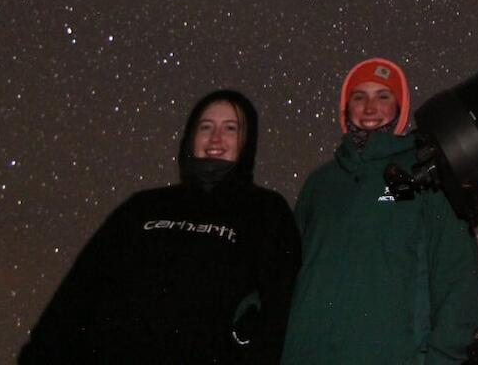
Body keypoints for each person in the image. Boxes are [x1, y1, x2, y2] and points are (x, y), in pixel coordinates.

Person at [20, 89, 302, 364]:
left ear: (247, 140)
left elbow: (279, 309)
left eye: (230, 128)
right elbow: (80, 289)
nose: (216, 137)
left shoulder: (267, 211)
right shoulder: (143, 206)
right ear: (190, 137)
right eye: (206, 126)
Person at [281, 57, 478, 365]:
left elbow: (458, 276)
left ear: (399, 107)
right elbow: (284, 266)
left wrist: (441, 358)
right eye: (359, 97)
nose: (370, 107)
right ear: (345, 107)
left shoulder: (425, 175)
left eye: (383, 96)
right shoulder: (320, 183)